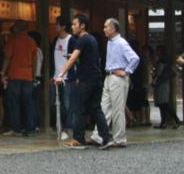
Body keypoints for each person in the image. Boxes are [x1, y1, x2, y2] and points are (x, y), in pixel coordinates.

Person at [54, 14, 111, 150]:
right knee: (96, 109)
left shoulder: (82, 39)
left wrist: (61, 74)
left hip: (86, 80)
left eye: (75, 24)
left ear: (82, 26)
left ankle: (79, 139)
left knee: (79, 109)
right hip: (96, 78)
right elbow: (86, 58)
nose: (72, 27)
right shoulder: (92, 39)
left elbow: (73, 58)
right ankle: (106, 138)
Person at [89, 18, 139, 148]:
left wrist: (126, 71)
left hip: (118, 77)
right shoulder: (110, 42)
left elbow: (135, 58)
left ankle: (120, 139)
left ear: (113, 28)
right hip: (109, 76)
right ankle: (98, 135)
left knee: (117, 109)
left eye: (106, 27)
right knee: (103, 107)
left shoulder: (121, 43)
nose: (104, 29)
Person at [2, 19, 37, 137]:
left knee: (14, 103)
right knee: (28, 103)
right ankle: (30, 129)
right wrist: (33, 75)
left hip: (15, 74)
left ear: (17, 28)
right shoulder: (32, 41)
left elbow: (7, 57)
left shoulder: (13, 40)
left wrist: (2, 72)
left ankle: (16, 129)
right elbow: (34, 60)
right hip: (28, 76)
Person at [51, 17, 74, 140]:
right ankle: (60, 127)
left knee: (67, 104)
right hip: (56, 76)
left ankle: (67, 128)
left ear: (63, 26)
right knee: (55, 104)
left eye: (57, 24)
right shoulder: (56, 40)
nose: (55, 26)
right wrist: (53, 75)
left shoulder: (71, 40)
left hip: (67, 78)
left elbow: (74, 60)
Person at [151, 45, 180, 129]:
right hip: (164, 82)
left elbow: (159, 72)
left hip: (162, 83)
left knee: (164, 103)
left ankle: (176, 119)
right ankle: (163, 122)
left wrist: (154, 80)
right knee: (162, 104)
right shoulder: (165, 60)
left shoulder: (162, 60)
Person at [125, 37, 150, 127]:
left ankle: (133, 120)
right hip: (139, 83)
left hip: (134, 83)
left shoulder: (132, 58)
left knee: (132, 102)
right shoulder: (140, 59)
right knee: (139, 102)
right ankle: (139, 119)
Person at [28, 31, 44, 130]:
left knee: (32, 102)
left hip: (34, 77)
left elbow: (34, 64)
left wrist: (32, 77)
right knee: (35, 102)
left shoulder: (35, 50)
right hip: (38, 77)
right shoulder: (40, 51)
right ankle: (36, 124)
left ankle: (33, 124)